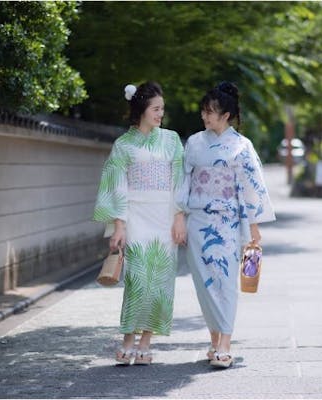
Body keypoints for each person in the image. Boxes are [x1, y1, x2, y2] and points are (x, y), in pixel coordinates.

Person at [181, 82, 275, 368]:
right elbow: (183, 181)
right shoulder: (195, 142)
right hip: (197, 220)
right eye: (203, 111)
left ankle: (225, 343)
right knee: (204, 283)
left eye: (210, 112)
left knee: (224, 281)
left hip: (227, 222)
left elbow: (251, 187)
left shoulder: (241, 146)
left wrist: (254, 228)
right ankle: (213, 340)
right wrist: (178, 216)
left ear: (226, 115)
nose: (205, 117)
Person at [93, 81, 186, 366]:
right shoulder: (123, 145)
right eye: (156, 108)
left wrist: (179, 217)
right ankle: (127, 340)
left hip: (164, 218)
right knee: (136, 279)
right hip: (135, 217)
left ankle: (147, 340)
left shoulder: (171, 140)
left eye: (162, 109)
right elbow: (116, 184)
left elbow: (179, 181)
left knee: (159, 281)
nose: (161, 114)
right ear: (142, 109)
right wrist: (119, 224)